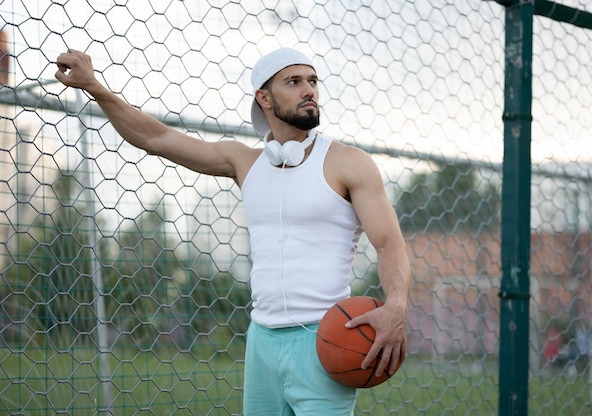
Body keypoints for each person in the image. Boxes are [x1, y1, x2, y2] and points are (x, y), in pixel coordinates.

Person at [55, 47, 411, 415]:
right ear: (264, 97)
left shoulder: (350, 163)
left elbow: (388, 243)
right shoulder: (244, 162)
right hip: (262, 343)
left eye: (313, 81)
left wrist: (396, 305)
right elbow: (155, 139)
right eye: (294, 81)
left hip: (327, 340)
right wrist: (95, 87)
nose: (309, 90)